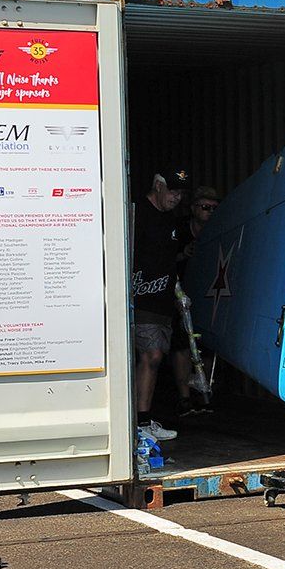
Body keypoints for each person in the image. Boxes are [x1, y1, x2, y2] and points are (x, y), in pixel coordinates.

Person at [130, 166, 190, 444]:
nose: (176, 197)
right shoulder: (136, 212)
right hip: (139, 299)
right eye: (172, 191)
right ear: (158, 185)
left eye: (180, 193)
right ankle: (140, 422)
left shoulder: (171, 221)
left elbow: (169, 262)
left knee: (154, 358)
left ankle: (141, 420)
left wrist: (178, 294)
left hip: (163, 301)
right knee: (151, 355)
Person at [170, 185, 219, 417]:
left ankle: (204, 391)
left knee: (207, 345)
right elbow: (163, 258)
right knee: (181, 345)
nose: (209, 212)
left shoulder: (221, 229)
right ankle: (184, 397)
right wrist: (183, 254)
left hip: (210, 294)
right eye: (204, 207)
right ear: (193, 209)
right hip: (181, 293)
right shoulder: (179, 230)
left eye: (213, 208)